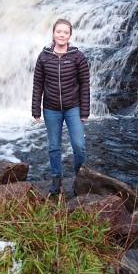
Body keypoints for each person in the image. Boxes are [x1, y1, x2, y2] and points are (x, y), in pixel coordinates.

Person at [32, 19, 90, 194]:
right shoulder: (43, 57)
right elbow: (38, 84)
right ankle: (56, 178)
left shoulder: (77, 57)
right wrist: (35, 109)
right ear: (53, 33)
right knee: (54, 146)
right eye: (59, 32)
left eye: (65, 32)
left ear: (70, 35)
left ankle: (80, 176)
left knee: (79, 145)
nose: (62, 35)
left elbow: (84, 83)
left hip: (73, 107)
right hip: (51, 108)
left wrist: (85, 109)